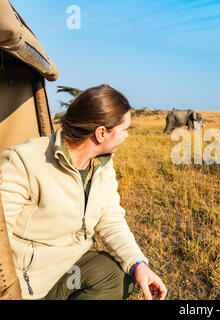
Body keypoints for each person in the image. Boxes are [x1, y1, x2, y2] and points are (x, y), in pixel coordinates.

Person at [0, 84, 167, 300]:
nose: (127, 136)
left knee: (119, 276)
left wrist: (138, 265)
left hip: (65, 270)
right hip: (27, 284)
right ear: (101, 133)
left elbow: (110, 219)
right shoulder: (23, 161)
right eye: (124, 129)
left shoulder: (101, 165)